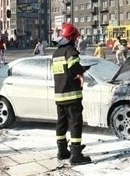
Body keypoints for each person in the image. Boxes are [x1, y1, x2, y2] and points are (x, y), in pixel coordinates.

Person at [52, 23, 91, 165]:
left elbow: (63, 71)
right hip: (72, 94)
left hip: (59, 95)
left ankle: (62, 151)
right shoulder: (70, 50)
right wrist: (81, 71)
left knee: (61, 123)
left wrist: (76, 70)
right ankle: (76, 154)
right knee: (75, 123)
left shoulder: (56, 53)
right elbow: (73, 66)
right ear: (72, 38)